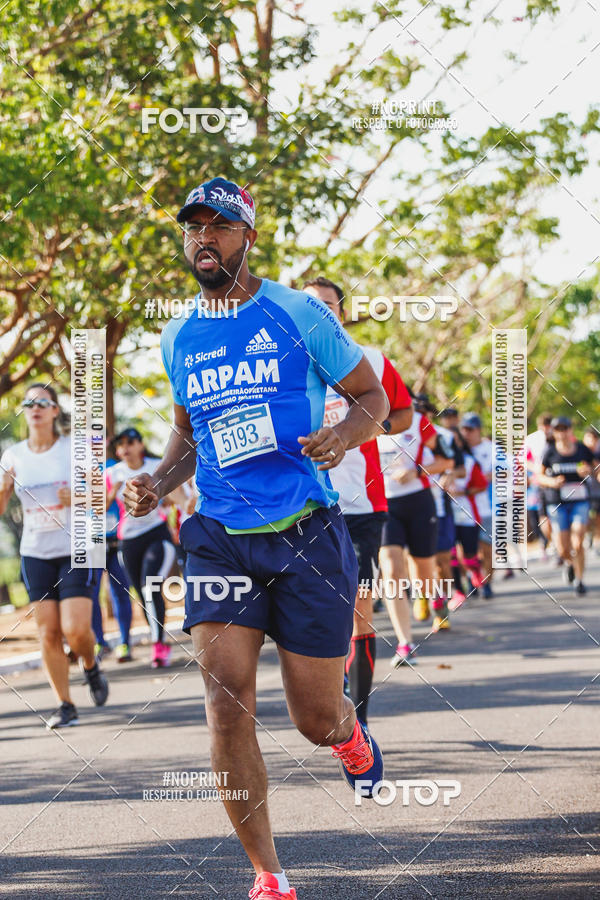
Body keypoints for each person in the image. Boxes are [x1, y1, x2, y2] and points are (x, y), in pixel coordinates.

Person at [122, 177, 388, 900]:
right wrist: (156, 482)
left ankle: (349, 735)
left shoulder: (298, 312)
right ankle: (269, 875)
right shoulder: (179, 335)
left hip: (306, 532)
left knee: (315, 719)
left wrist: (343, 435)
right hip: (219, 536)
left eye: (219, 225)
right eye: (193, 227)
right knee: (225, 700)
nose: (203, 238)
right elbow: (188, 435)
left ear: (248, 236)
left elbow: (372, 396)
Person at [303, 275, 413, 723]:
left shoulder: (372, 361)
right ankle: (332, 690)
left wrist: (363, 428)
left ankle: (359, 721)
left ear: (342, 313)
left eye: (327, 306)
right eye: (310, 307)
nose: (319, 314)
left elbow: (403, 413)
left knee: (360, 607)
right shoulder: (283, 364)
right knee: (318, 609)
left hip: (362, 507)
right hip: (304, 506)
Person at [0, 383, 109, 728]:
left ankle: (89, 664)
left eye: (42, 403)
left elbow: (104, 498)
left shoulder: (74, 450)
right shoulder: (12, 456)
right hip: (36, 551)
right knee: (48, 632)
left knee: (75, 630)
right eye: (29, 403)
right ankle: (65, 704)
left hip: (78, 547)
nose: (35, 408)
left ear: (54, 410)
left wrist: (77, 498)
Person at [377, 396, 455, 666]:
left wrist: (417, 472)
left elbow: (447, 461)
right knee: (391, 569)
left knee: (423, 571)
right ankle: (404, 643)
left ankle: (434, 597)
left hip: (418, 502)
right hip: (384, 506)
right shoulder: (365, 421)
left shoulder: (419, 422)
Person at [106, 428, 178, 667]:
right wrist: (113, 491)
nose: (125, 448)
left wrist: (173, 500)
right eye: (120, 444)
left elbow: (174, 494)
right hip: (128, 541)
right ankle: (159, 637)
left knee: (150, 587)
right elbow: (99, 506)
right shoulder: (114, 473)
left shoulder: (156, 466)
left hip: (157, 534)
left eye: (130, 442)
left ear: (140, 445)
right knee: (141, 593)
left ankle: (158, 644)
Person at [538, 417, 594, 595]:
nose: (562, 433)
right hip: (557, 502)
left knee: (578, 540)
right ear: (554, 432)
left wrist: (588, 471)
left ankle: (579, 580)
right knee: (563, 549)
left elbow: (595, 468)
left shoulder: (582, 449)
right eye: (558, 429)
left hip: (580, 500)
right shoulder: (549, 451)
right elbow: (539, 477)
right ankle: (570, 563)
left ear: (570, 430)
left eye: (565, 428)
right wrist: (552, 482)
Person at [91, 441, 134, 662]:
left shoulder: (116, 468)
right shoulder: (76, 472)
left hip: (117, 539)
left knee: (121, 592)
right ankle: (100, 642)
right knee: (91, 594)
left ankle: (124, 643)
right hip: (92, 541)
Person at [459, 413, 495, 598]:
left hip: (487, 508)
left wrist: (483, 478)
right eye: (463, 429)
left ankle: (487, 583)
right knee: (466, 551)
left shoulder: (491, 449)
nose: (466, 433)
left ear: (478, 430)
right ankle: (472, 579)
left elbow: (505, 472)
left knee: (487, 550)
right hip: (464, 509)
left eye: (470, 429)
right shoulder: (458, 451)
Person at [582, 426, 600, 551]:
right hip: (583, 492)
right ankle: (589, 535)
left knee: (597, 517)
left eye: (593, 439)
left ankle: (597, 540)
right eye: (588, 438)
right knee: (587, 518)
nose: (590, 441)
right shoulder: (579, 453)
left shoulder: (597, 454)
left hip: (596, 492)